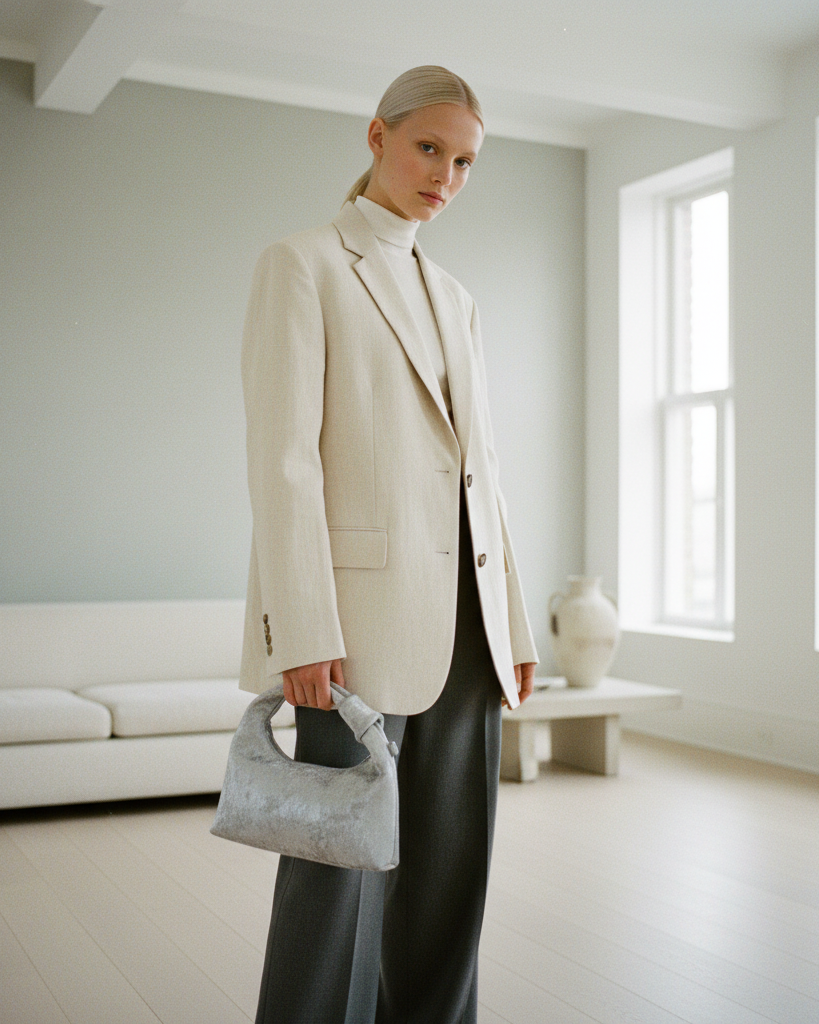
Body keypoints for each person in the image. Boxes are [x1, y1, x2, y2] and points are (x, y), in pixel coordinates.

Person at [237, 65, 538, 1024]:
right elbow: (285, 465)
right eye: (429, 148)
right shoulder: (303, 264)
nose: (446, 175)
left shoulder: (456, 296)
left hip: (469, 631)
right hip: (355, 631)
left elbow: (482, 473)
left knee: (452, 875)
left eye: (466, 161)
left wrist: (514, 624)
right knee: (335, 881)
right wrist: (301, 631)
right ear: (378, 137)